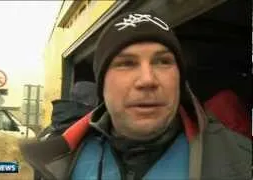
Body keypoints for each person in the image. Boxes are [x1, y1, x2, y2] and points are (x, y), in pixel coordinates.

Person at [20, 11, 251, 180]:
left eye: (163, 61)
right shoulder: (59, 161)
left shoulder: (242, 163)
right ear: (102, 85)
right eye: (126, 63)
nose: (148, 80)